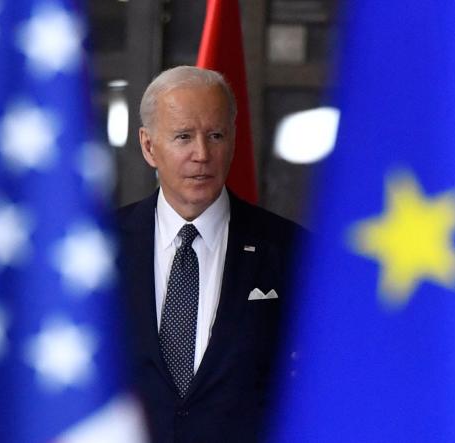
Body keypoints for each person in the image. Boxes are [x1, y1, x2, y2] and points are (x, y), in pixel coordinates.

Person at [117, 66, 303, 443]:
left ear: (233, 141)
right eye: (183, 137)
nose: (201, 153)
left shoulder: (292, 251)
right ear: (149, 146)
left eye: (215, 135)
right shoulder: (98, 249)